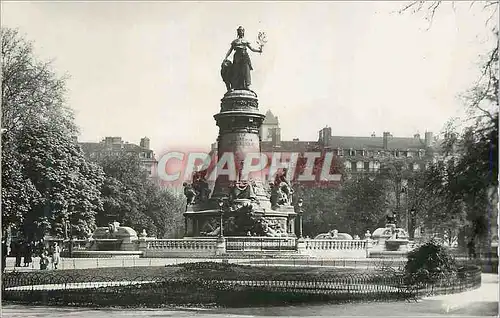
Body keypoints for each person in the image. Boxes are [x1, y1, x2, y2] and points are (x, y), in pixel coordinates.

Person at [223, 26, 263, 91]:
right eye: (239, 31)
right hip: (237, 56)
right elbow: (230, 50)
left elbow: (252, 49)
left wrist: (259, 51)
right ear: (238, 32)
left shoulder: (245, 41)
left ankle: (247, 85)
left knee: (246, 70)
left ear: (243, 32)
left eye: (242, 31)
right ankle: (234, 85)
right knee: (236, 70)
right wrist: (226, 57)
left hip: (244, 56)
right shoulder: (235, 41)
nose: (240, 32)